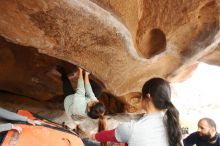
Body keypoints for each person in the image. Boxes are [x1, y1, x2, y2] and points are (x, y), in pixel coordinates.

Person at [89, 77, 182, 146]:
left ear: (148, 97)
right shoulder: (175, 131)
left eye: (140, 95)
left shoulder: (132, 128)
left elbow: (107, 135)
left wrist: (94, 136)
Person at [64, 67, 109, 146]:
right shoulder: (94, 109)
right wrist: (86, 75)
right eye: (95, 101)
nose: (93, 100)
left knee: (66, 82)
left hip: (69, 101)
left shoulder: (79, 106)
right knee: (98, 89)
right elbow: (89, 91)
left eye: (92, 103)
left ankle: (62, 73)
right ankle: (85, 75)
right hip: (80, 105)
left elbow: (80, 88)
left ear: (88, 109)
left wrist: (80, 71)